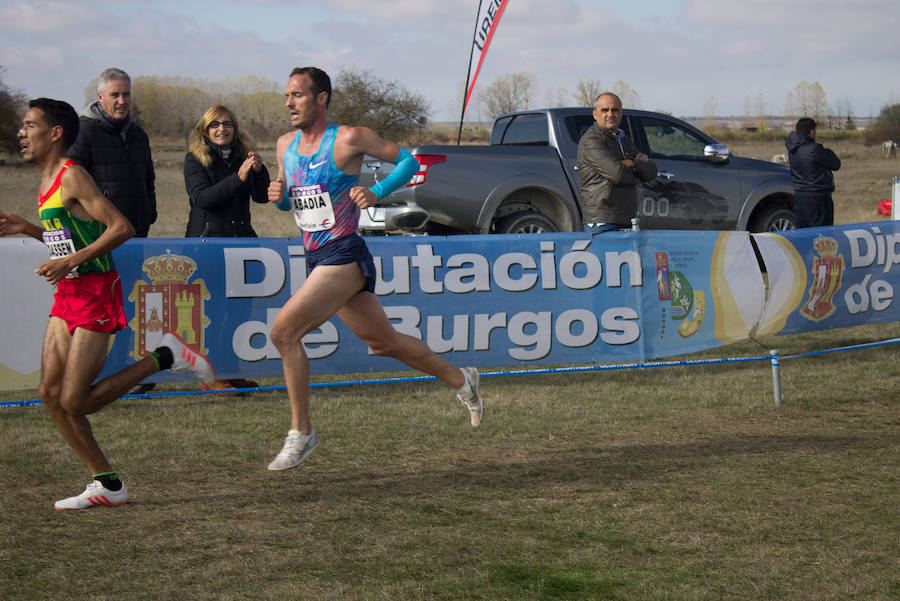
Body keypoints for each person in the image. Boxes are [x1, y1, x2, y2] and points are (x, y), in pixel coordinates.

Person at [264, 67, 484, 471]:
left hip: (344, 253)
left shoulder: (349, 138)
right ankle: (461, 379)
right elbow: (288, 201)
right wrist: (277, 196)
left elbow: (406, 162)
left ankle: (302, 432)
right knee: (384, 342)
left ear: (321, 98)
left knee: (283, 331)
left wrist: (377, 191)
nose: (289, 103)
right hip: (315, 254)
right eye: (287, 96)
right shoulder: (284, 146)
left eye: (297, 95)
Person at [0, 98, 215, 510]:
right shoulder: (44, 182)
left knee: (75, 401)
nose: (21, 134)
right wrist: (27, 228)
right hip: (70, 293)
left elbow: (121, 227)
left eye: (30, 126)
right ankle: (107, 484)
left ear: (55, 133)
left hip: (97, 290)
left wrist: (72, 261)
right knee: (49, 392)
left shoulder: (72, 176)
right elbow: (70, 240)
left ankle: (167, 355)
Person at [68, 67, 158, 393]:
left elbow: (148, 178)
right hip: (102, 238)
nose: (122, 101)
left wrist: (150, 210)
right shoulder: (83, 132)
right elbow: (72, 185)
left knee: (137, 306)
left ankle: (137, 375)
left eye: (126, 94)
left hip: (138, 234)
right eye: (115, 95)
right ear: (100, 97)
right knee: (103, 310)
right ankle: (93, 375)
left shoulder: (139, 134)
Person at [184, 104, 269, 392]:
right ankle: (210, 376)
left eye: (228, 123)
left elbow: (260, 197)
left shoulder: (244, 157)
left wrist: (258, 171)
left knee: (240, 311)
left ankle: (232, 371)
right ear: (205, 130)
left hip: (242, 241)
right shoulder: (194, 159)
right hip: (208, 244)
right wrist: (239, 177)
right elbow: (203, 199)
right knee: (214, 311)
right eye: (215, 124)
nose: (222, 129)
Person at [577, 92, 657, 232]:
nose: (610, 114)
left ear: (621, 113)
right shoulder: (591, 141)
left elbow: (651, 172)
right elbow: (618, 174)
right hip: (603, 221)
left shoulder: (624, 139)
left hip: (627, 218)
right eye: (604, 110)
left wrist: (632, 163)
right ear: (595, 114)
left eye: (614, 110)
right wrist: (637, 171)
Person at [785, 117, 841, 228]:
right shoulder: (815, 149)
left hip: (799, 195)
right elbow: (835, 164)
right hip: (818, 198)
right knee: (821, 234)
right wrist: (828, 151)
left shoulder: (792, 149)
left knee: (803, 233)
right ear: (811, 131)